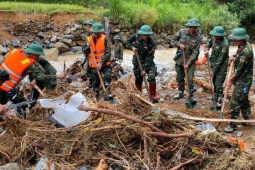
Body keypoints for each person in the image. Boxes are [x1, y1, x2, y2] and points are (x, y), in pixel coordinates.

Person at [0, 44, 65, 114]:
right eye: (38, 55)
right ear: (33, 54)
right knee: (21, 104)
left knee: (9, 103)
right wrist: (58, 76)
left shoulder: (15, 52)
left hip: (5, 84)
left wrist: (33, 79)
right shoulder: (28, 64)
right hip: (5, 88)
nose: (38, 57)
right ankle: (19, 120)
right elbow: (41, 77)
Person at [224, 28, 253, 133]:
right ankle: (246, 119)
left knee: (235, 101)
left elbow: (238, 71)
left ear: (242, 39)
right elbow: (240, 56)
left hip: (243, 80)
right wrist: (234, 56)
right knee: (243, 99)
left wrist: (230, 80)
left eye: (236, 39)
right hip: (244, 79)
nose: (234, 41)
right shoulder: (244, 46)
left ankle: (233, 125)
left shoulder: (246, 51)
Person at [171, 18, 202, 102]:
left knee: (190, 78)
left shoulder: (198, 38)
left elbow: (196, 52)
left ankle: (191, 95)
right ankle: (180, 92)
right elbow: (173, 40)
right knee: (179, 77)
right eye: (191, 27)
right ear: (188, 26)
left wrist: (188, 63)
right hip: (179, 59)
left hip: (190, 61)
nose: (192, 29)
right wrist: (179, 44)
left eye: (194, 27)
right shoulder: (182, 32)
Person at [126, 25, 159, 103]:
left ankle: (153, 96)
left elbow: (150, 57)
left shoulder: (152, 43)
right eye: (144, 35)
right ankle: (139, 95)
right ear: (141, 34)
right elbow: (127, 42)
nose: (145, 37)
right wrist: (132, 48)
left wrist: (145, 70)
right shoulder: (135, 37)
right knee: (138, 78)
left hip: (148, 62)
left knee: (151, 76)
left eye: (147, 35)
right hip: (137, 61)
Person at [83, 22, 112, 100]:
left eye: (98, 33)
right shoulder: (88, 39)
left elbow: (108, 52)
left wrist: (101, 63)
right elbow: (84, 51)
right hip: (93, 66)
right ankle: (96, 98)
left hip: (105, 64)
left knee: (107, 78)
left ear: (100, 32)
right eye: (95, 33)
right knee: (95, 83)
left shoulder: (105, 39)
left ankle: (107, 96)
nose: (96, 34)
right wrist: (87, 47)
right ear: (92, 32)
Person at [204, 26, 229, 110]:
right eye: (214, 35)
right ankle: (215, 96)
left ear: (221, 35)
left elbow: (220, 59)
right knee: (214, 81)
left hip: (222, 66)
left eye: (216, 35)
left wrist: (213, 71)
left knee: (219, 84)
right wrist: (207, 49)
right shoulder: (214, 38)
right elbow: (209, 44)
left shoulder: (224, 45)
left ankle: (219, 100)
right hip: (213, 63)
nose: (215, 37)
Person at [82, 19, 95, 90]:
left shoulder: (96, 35)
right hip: (89, 57)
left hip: (95, 57)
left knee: (95, 72)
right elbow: (84, 48)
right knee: (88, 71)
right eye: (87, 26)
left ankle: (95, 85)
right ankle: (90, 84)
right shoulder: (87, 36)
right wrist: (86, 47)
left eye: (89, 26)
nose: (88, 28)